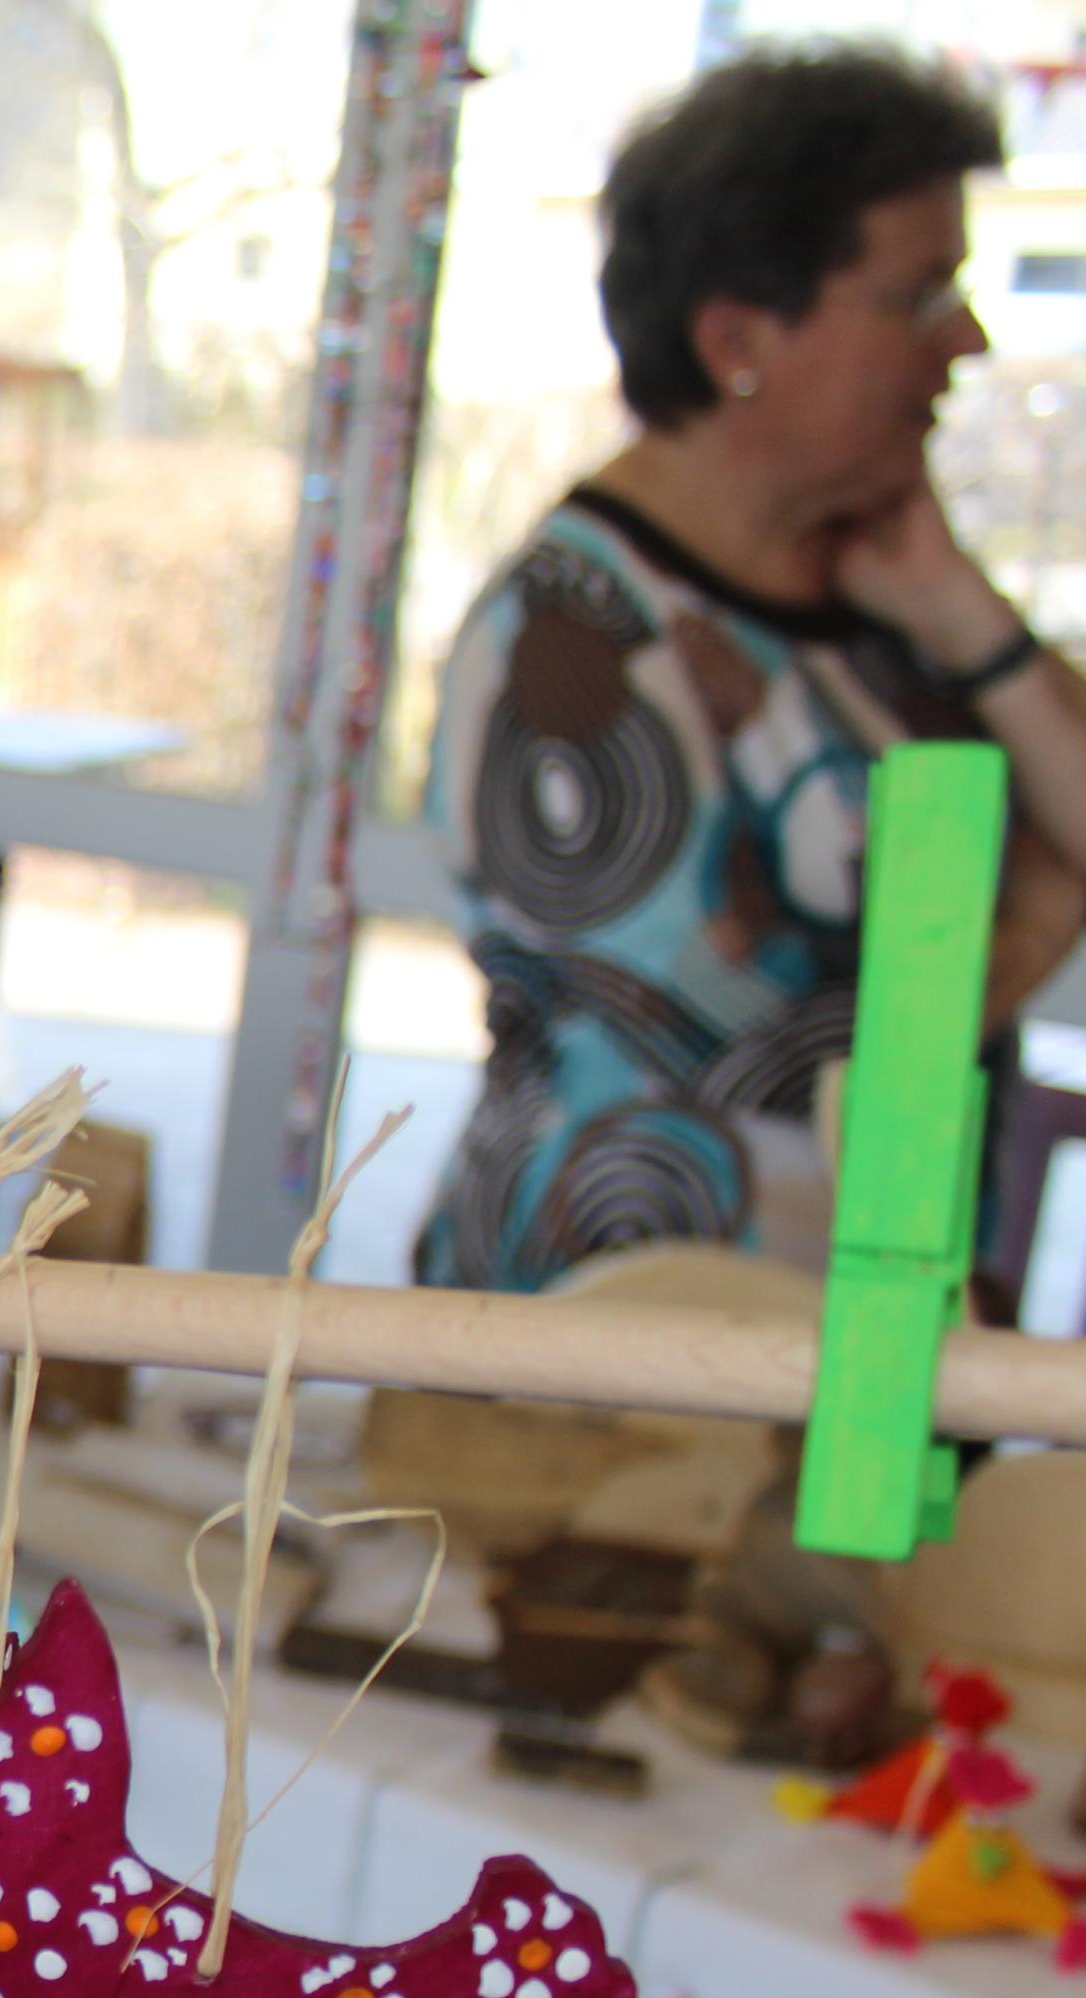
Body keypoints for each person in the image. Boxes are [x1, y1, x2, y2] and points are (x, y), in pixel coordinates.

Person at [419, 45, 1086, 1291]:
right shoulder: (568, 638)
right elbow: (751, 1052)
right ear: (735, 337)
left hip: (880, 1316)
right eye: (916, 297)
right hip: (627, 1331)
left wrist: (967, 618)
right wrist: (1042, 919)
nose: (967, 339)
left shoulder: (887, 590)